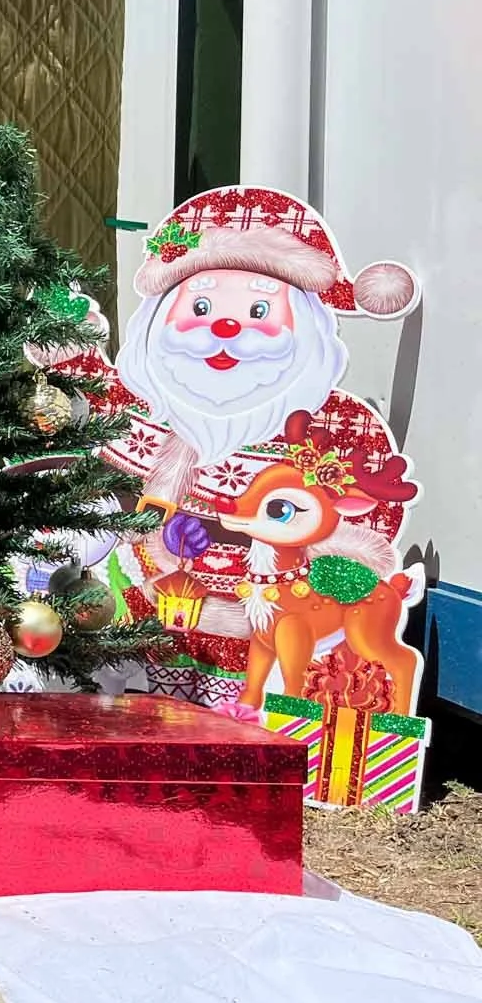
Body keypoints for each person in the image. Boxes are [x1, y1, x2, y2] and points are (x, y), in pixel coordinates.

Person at [57, 188, 419, 710]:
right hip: (156, 623)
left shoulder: (337, 428)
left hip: (276, 619)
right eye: (201, 307)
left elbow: (367, 525)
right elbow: (94, 403)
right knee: (148, 698)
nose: (225, 330)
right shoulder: (152, 412)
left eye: (257, 310)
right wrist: (67, 342)